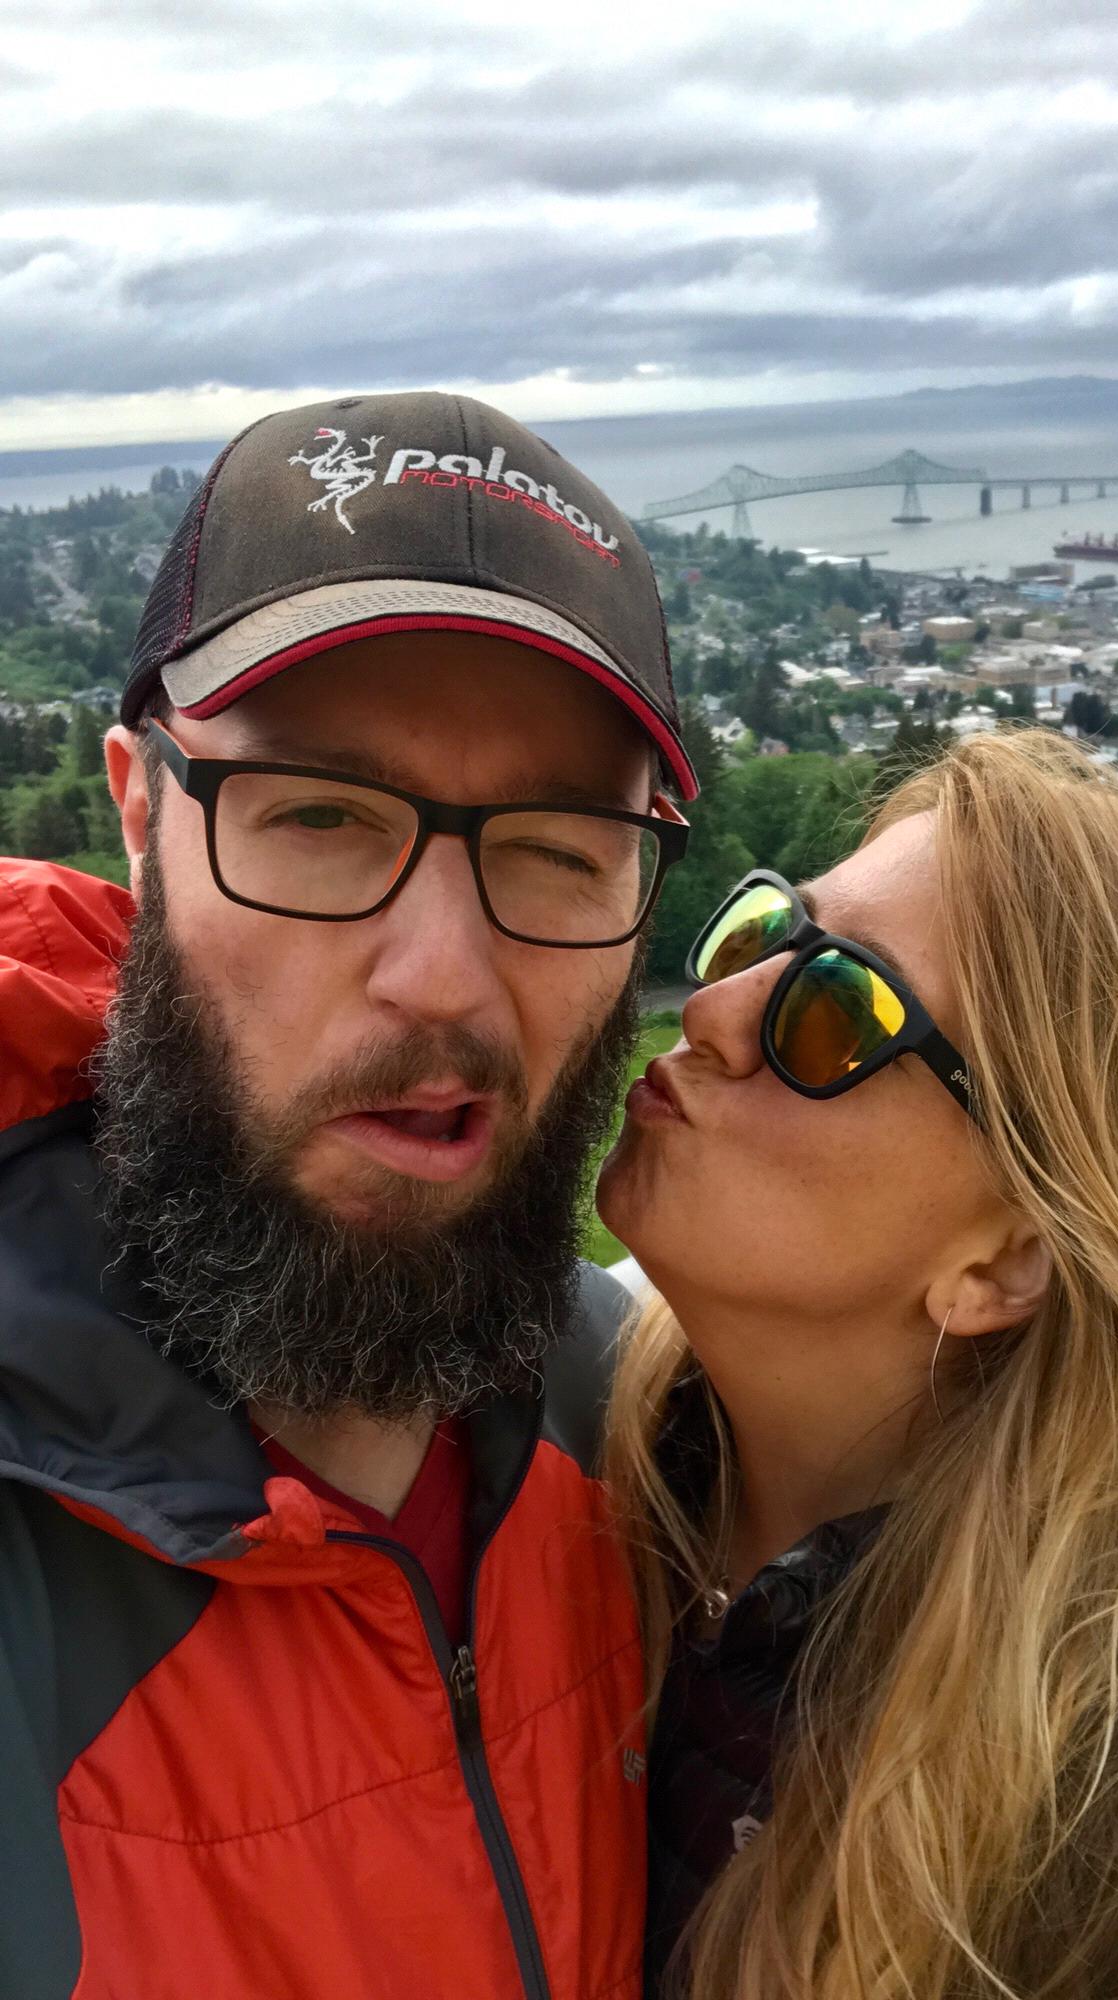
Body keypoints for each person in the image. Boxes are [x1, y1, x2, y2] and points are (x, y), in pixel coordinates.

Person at [0, 391, 696, 2000]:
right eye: (319, 817)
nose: (441, 980)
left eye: (554, 848)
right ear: (138, 813)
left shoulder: (654, 1437)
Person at [597, 729, 1118, 2000]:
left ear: (1004, 1261)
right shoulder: (535, 1439)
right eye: (760, 935)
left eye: (832, 1013)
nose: (709, 1007)